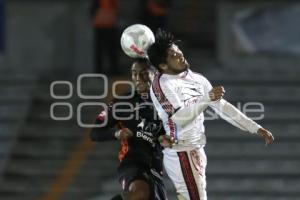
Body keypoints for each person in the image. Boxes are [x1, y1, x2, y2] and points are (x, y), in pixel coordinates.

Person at [147, 29, 274, 200]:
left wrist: (256, 128)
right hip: (180, 152)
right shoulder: (162, 83)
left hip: (196, 149)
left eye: (178, 50)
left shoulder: (197, 79)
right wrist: (207, 98)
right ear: (163, 65)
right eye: (173, 55)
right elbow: (179, 119)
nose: (180, 55)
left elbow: (224, 108)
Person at [90, 58, 168, 200]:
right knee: (140, 193)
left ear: (155, 74)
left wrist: (168, 140)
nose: (138, 78)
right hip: (131, 163)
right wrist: (116, 133)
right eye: (134, 74)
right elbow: (95, 133)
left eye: (143, 73)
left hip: (155, 170)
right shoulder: (122, 102)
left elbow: (172, 135)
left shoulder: (167, 104)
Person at [90, 0, 120, 75]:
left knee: (111, 51)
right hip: (101, 27)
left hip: (110, 26)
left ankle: (112, 70)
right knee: (101, 51)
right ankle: (100, 71)